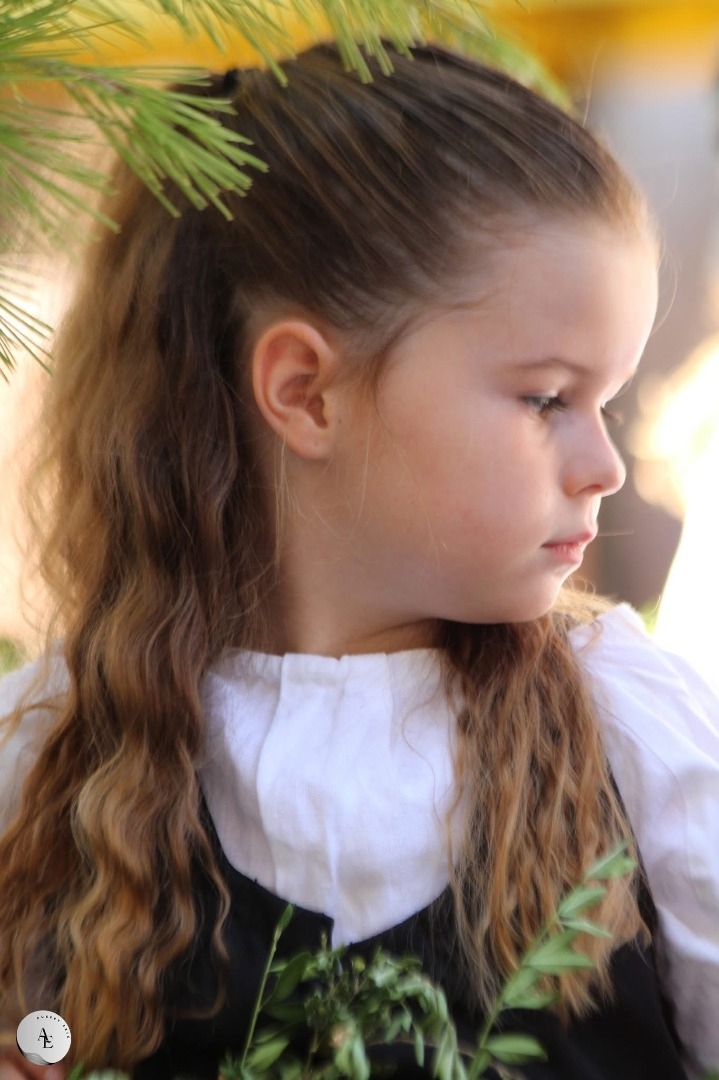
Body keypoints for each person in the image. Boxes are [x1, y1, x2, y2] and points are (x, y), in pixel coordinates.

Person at [0, 40, 717, 1080]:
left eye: (602, 403)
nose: (603, 466)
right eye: (546, 398)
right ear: (305, 392)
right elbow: (37, 1036)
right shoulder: (49, 755)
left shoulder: (631, 732)